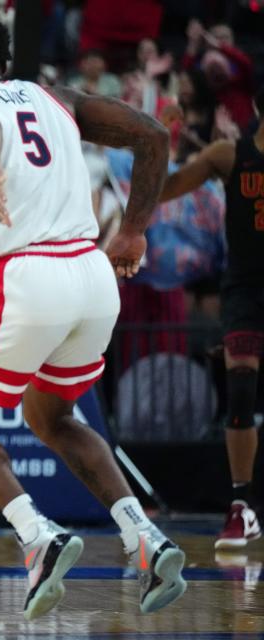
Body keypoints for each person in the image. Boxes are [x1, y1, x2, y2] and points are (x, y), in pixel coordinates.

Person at [0, 12, 185, 619]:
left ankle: (37, 536)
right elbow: (152, 134)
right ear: (6, 63)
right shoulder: (56, 95)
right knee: (54, 416)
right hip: (93, 277)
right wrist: (135, 231)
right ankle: (143, 537)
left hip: (26, 277)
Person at [157, 87, 264, 550]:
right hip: (244, 292)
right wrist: (161, 140)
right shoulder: (229, 154)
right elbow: (166, 190)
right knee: (239, 390)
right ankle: (241, 506)